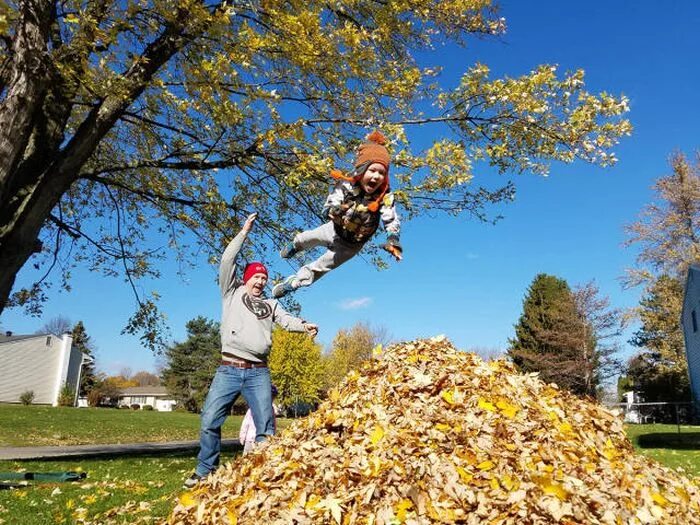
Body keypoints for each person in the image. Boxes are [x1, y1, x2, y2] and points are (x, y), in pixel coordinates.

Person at [183, 213, 318, 489]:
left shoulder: (270, 305)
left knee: (265, 429)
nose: (259, 282)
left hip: (258, 372)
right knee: (209, 419)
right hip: (229, 368)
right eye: (255, 277)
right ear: (245, 279)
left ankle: (260, 475)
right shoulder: (231, 293)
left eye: (263, 278)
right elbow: (226, 261)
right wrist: (244, 232)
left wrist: (304, 325)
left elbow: (286, 320)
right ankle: (206, 469)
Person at [272, 130, 403, 299]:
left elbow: (390, 217)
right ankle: (296, 245)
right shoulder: (346, 185)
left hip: (351, 245)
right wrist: (333, 210)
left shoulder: (384, 196)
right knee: (308, 237)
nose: (376, 176)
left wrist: (393, 239)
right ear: (362, 169)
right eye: (372, 170)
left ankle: (295, 282)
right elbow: (333, 200)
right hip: (334, 229)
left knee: (322, 266)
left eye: (382, 173)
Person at [239, 384, 278, 455]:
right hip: (251, 439)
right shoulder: (253, 408)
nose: (271, 400)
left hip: (264, 440)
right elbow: (246, 423)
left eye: (272, 398)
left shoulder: (271, 409)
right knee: (247, 457)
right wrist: (242, 436)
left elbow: (273, 423)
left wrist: (273, 435)